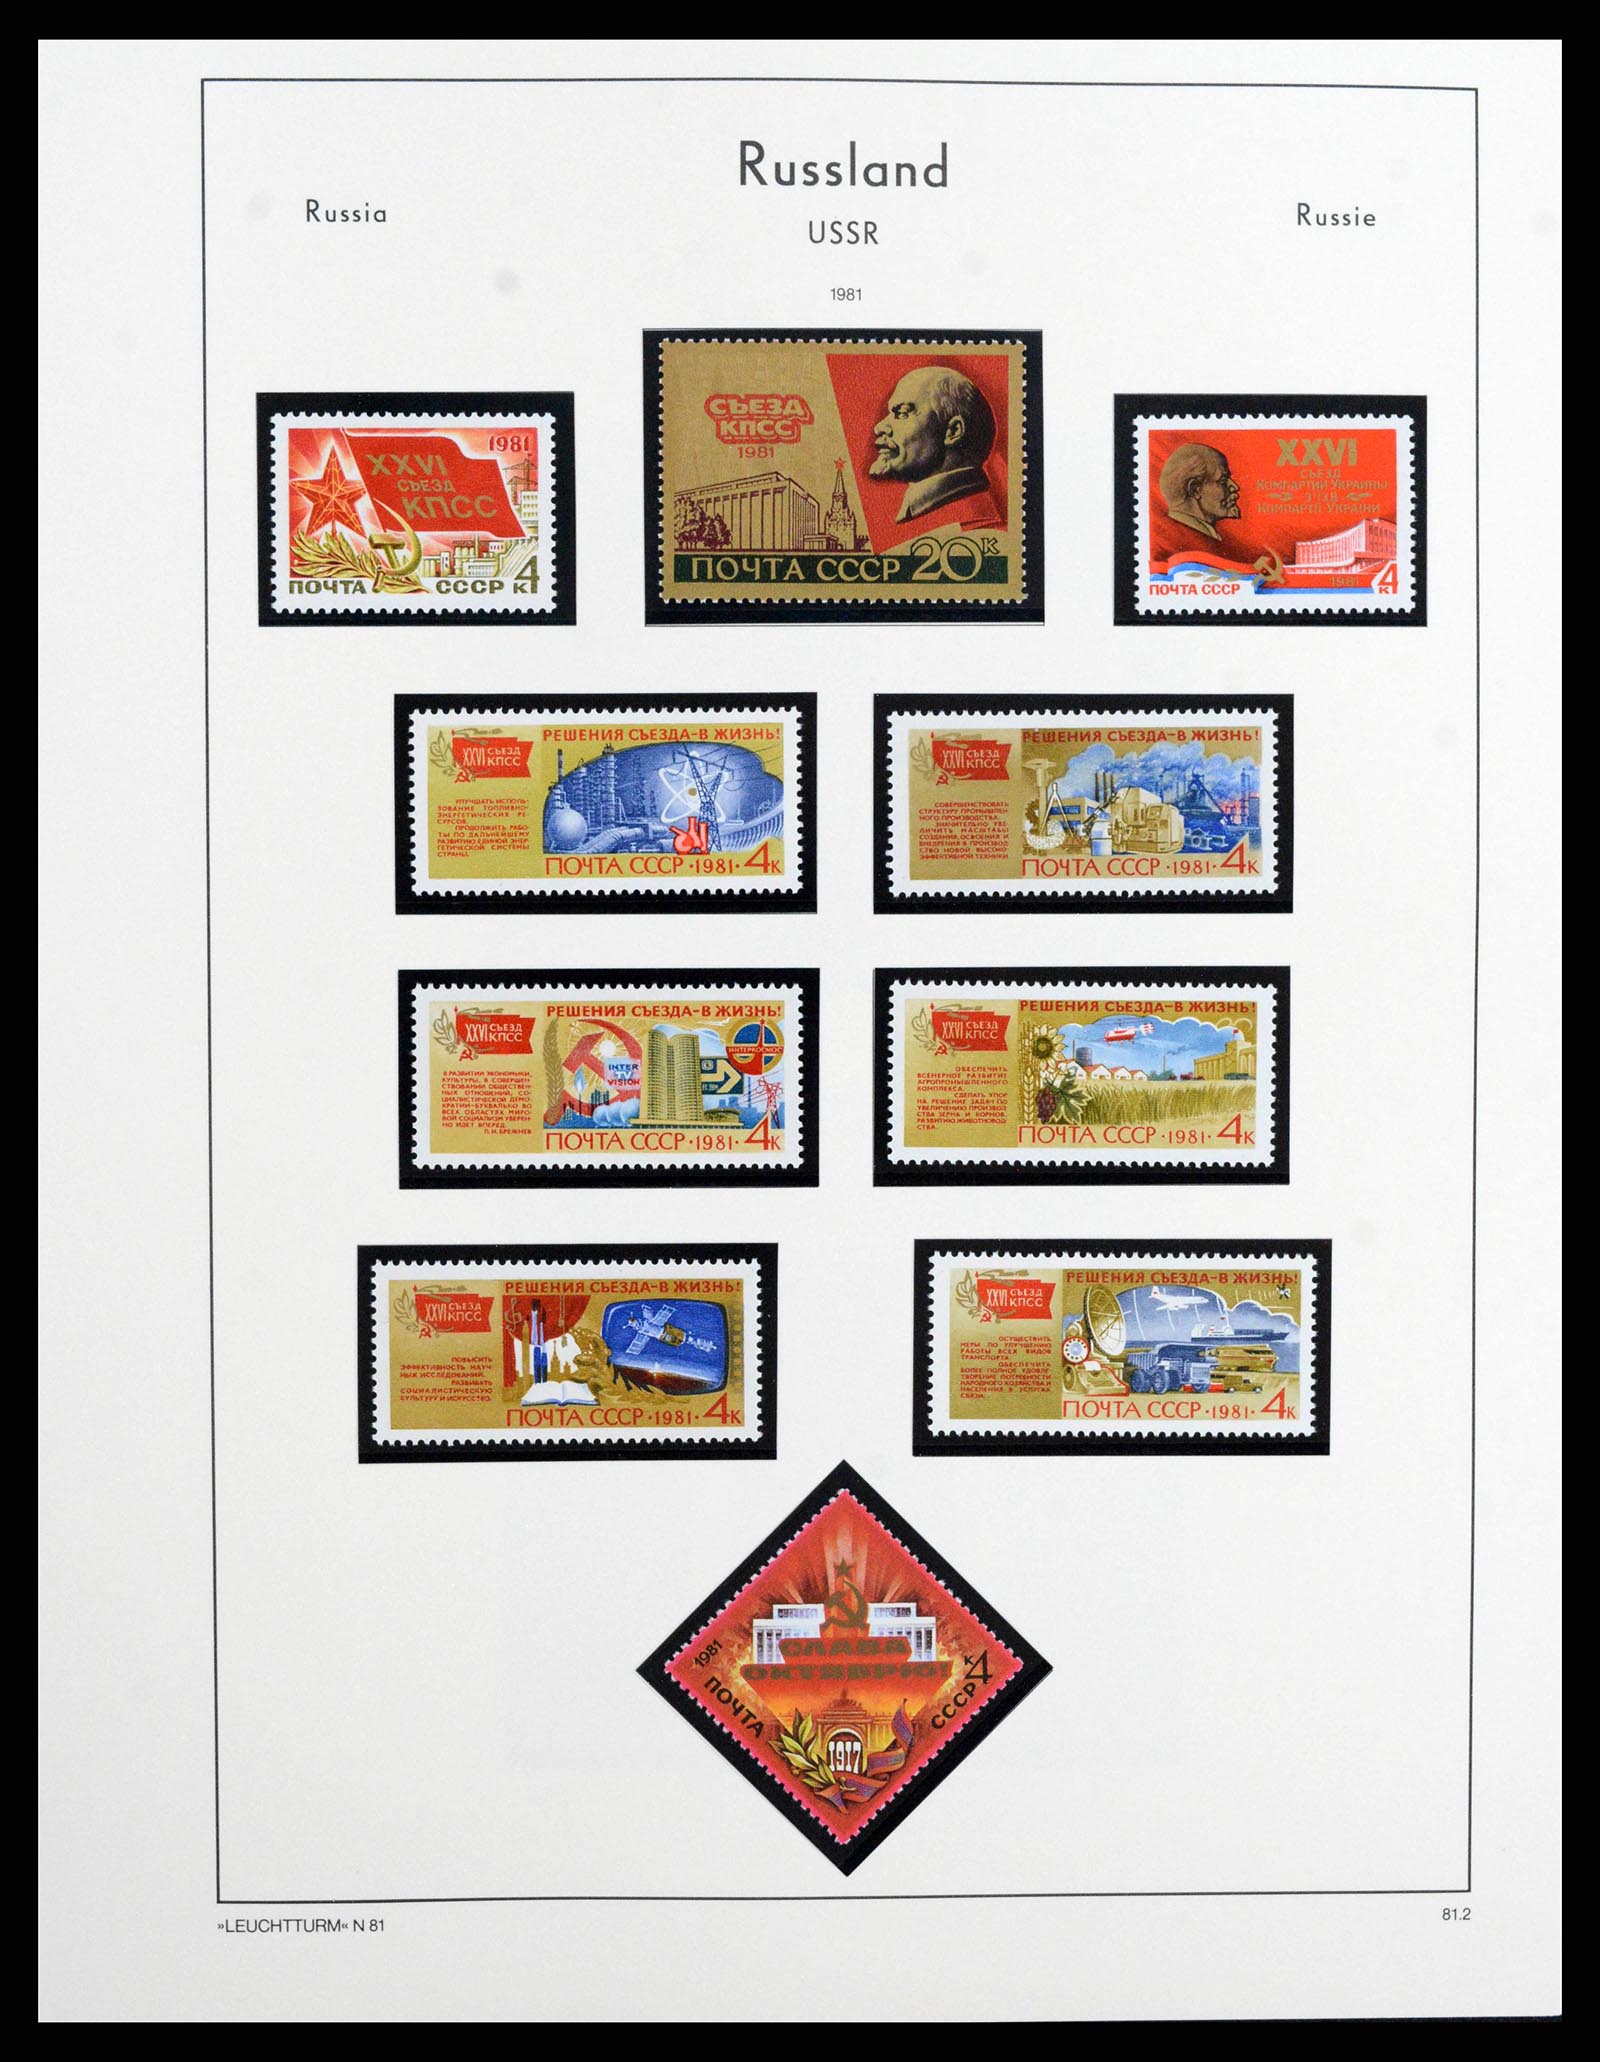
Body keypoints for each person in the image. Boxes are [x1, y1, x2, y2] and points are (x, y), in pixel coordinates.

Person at [870, 365, 1000, 527]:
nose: (879, 427)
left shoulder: (971, 521)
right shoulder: (924, 512)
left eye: (902, 414)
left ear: (953, 431)